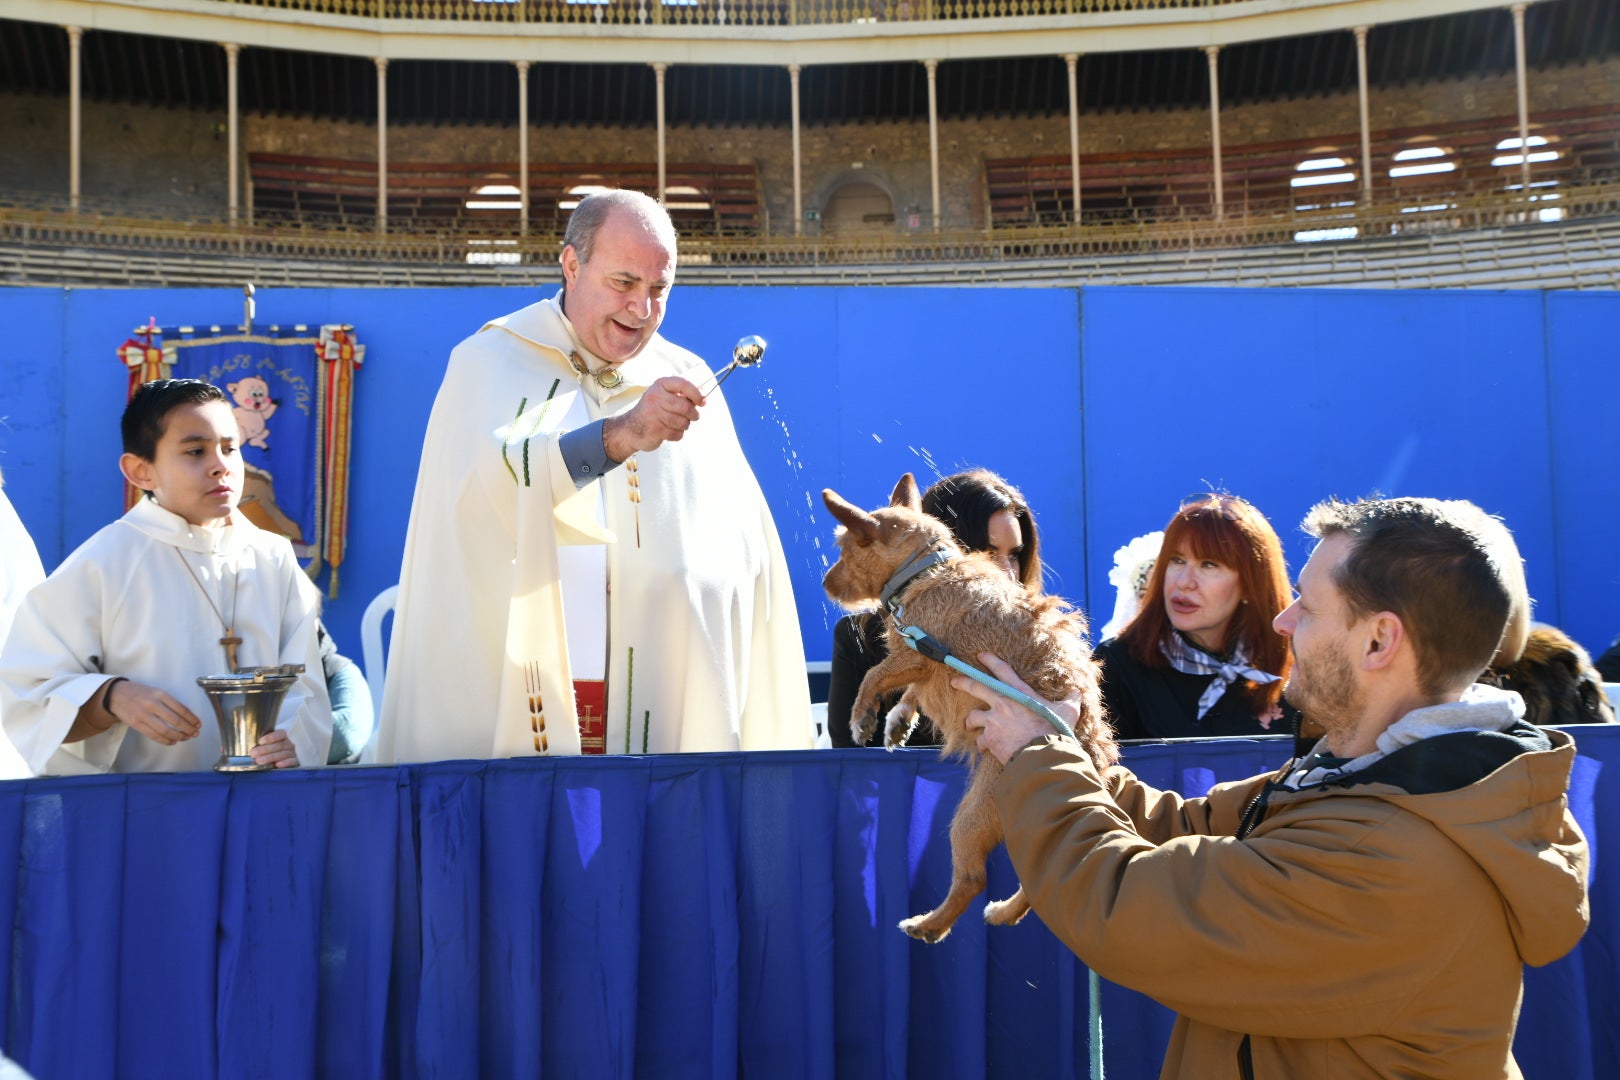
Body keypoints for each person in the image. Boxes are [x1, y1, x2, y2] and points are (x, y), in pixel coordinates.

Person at [960, 496, 1590, 1078]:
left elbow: (1126, 904)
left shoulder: (1390, 851)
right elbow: (1183, 827)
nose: (1283, 621)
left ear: (1379, 640)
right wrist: (1066, 744)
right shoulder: (1379, 776)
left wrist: (1037, 754)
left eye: (1308, 607)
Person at [378, 189, 808, 761]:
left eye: (660, 290)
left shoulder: (688, 375)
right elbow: (495, 486)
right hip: (521, 694)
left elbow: (743, 545)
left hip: (663, 699)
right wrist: (621, 435)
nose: (641, 310)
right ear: (572, 266)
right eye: (624, 283)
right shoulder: (489, 361)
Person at [0, 379, 331, 774]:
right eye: (196, 451)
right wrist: (109, 696)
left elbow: (306, 683)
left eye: (230, 448)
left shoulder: (273, 556)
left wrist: (290, 742)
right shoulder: (103, 563)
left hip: (261, 798)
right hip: (142, 807)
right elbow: (25, 693)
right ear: (140, 471)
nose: (220, 465)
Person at [827, 468, 1041, 748]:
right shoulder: (860, 639)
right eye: (987, 554)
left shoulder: (1037, 635)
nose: (1007, 573)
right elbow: (849, 761)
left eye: (1014, 555)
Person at [1095, 493, 1294, 739]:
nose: (1184, 582)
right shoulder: (1115, 665)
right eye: (1176, 560)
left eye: (1208, 564)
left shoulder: (1293, 663)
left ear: (1251, 583)